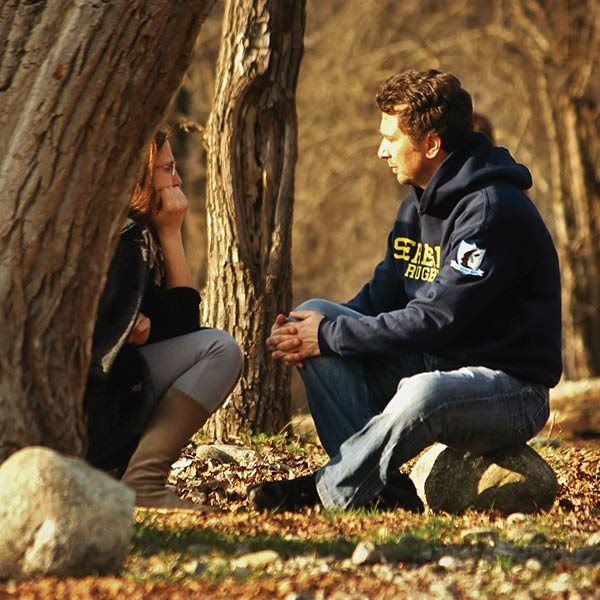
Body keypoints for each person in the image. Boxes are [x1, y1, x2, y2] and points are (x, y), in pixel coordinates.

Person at [249, 69, 562, 513]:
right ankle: (380, 491)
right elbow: (380, 300)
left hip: (509, 391)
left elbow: (437, 319)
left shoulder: (492, 211)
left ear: (431, 145)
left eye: (391, 139)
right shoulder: (416, 205)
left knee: (421, 392)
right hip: (435, 361)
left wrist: (329, 335)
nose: (381, 151)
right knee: (314, 313)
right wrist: (312, 333)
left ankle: (328, 490)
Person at [85, 129, 243, 510]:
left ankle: (137, 479)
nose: (177, 181)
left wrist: (171, 234)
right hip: (94, 408)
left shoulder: (138, 232)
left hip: (114, 393)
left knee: (216, 347)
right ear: (138, 175)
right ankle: (145, 482)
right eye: (167, 170)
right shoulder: (123, 235)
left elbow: (180, 325)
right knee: (221, 351)